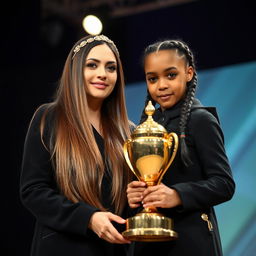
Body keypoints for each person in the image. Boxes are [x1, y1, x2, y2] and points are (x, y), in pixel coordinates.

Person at [20, 34, 134, 256]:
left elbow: (125, 205)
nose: (102, 74)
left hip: (113, 250)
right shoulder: (49, 117)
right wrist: (89, 218)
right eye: (92, 65)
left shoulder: (128, 132)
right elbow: (33, 191)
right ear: (75, 70)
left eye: (111, 68)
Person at [126, 39, 235, 256]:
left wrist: (178, 195)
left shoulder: (201, 120)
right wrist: (134, 194)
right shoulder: (145, 127)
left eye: (171, 75)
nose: (162, 85)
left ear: (189, 73)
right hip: (148, 242)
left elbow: (224, 184)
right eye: (152, 78)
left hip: (190, 241)